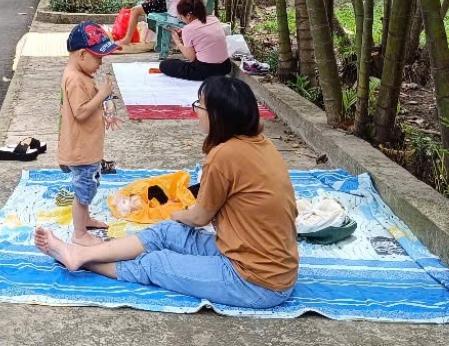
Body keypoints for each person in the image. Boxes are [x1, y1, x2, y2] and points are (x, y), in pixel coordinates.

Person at [34, 76, 298, 310]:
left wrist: (175, 212)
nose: (197, 112)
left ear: (219, 116)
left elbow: (199, 217)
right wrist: (177, 219)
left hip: (257, 282)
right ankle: (91, 252)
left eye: (200, 105)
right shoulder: (262, 144)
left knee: (158, 263)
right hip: (246, 253)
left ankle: (79, 257)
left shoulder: (225, 155)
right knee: (168, 232)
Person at [59, 22, 124, 246]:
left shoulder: (81, 74)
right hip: (81, 150)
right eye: (98, 57)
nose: (100, 63)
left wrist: (107, 110)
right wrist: (103, 93)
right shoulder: (76, 79)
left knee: (90, 185)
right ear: (82, 54)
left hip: (87, 146)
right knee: (84, 189)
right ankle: (79, 234)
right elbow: (80, 112)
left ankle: (84, 219)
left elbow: (92, 104)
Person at [161, 0, 230, 80]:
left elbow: (191, 58)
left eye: (181, 17)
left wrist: (177, 41)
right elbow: (203, 34)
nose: (182, 20)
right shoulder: (213, 19)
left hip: (206, 71)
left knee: (164, 65)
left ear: (189, 15)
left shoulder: (188, 29)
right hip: (226, 67)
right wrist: (184, 33)